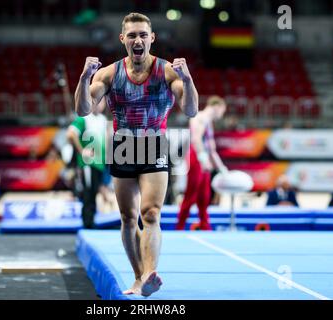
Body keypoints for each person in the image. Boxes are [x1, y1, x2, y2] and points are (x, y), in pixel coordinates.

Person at [74, 12, 198, 297]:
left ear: (151, 38)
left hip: (154, 143)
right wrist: (83, 78)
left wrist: (188, 80)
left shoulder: (166, 71)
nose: (138, 39)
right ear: (123, 40)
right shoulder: (109, 73)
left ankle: (150, 274)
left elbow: (191, 110)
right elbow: (82, 109)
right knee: (128, 217)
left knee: (151, 213)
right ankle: (138, 277)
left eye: (143, 34)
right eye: (132, 35)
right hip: (124, 146)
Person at [176, 96, 227, 231]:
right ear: (217, 107)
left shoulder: (209, 123)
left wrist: (222, 168)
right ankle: (179, 227)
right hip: (197, 157)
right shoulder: (198, 117)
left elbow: (212, 150)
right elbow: (196, 139)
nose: (221, 115)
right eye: (222, 111)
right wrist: (203, 158)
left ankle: (205, 227)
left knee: (204, 197)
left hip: (204, 160)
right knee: (190, 195)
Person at [67, 98, 107, 229]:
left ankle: (91, 221)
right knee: (88, 193)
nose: (99, 104)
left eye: (102, 101)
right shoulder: (84, 118)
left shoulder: (102, 120)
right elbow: (70, 134)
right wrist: (81, 150)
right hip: (88, 164)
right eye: (96, 101)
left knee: (95, 192)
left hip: (100, 163)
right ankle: (87, 223)